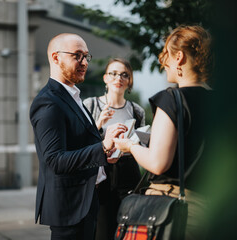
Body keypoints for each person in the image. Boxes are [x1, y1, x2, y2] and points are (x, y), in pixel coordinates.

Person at [113, 25, 213, 240]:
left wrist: (131, 146)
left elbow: (158, 163)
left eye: (165, 53)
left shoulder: (172, 99)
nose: (162, 61)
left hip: (173, 211)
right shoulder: (223, 102)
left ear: (179, 57)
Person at [29, 33, 127, 240]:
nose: (84, 62)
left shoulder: (72, 96)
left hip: (87, 200)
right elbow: (55, 160)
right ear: (56, 58)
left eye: (86, 57)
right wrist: (102, 146)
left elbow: (79, 143)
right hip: (69, 209)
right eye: (77, 56)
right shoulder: (49, 102)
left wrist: (106, 154)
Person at [83, 58, 145, 240]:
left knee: (129, 230)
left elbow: (142, 144)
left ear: (129, 80)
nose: (119, 78)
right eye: (114, 73)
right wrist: (99, 123)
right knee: (103, 230)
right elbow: (81, 143)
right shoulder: (91, 105)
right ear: (105, 78)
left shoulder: (136, 110)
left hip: (129, 172)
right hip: (101, 174)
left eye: (124, 74)